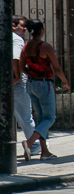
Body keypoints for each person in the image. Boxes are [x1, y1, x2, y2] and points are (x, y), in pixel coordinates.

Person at [19, 18, 70, 161]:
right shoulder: (45, 47)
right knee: (49, 118)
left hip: (31, 84)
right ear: (41, 30)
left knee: (41, 118)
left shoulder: (26, 46)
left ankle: (45, 151)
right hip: (44, 84)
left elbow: (22, 67)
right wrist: (65, 82)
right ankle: (29, 143)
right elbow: (57, 67)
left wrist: (32, 74)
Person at [12, 15, 41, 156]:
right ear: (13, 25)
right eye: (22, 26)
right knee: (25, 116)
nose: (25, 29)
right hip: (17, 84)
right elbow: (15, 59)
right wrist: (17, 77)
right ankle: (34, 145)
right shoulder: (16, 40)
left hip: (8, 83)